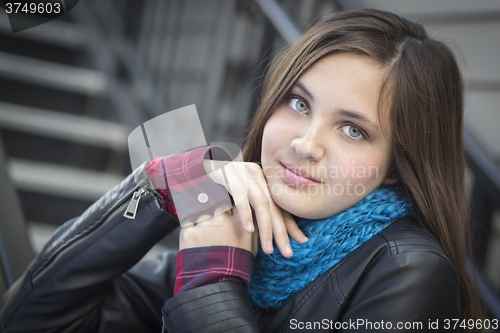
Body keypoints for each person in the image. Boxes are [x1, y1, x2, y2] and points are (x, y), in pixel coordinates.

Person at [0, 9, 484, 333]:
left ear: (398, 165)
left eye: (353, 130)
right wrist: (167, 187)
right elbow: (32, 317)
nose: (304, 143)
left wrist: (212, 283)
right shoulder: (244, 233)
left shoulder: (407, 270)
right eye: (298, 103)